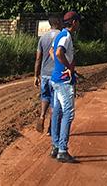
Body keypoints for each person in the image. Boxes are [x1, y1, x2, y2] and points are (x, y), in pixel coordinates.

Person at [49, 10, 82, 163]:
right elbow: (58, 52)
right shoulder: (66, 36)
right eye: (78, 22)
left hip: (56, 79)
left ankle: (56, 146)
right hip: (63, 82)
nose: (79, 24)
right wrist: (68, 67)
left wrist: (61, 66)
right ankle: (62, 150)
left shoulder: (59, 35)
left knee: (57, 112)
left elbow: (51, 52)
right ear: (74, 22)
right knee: (68, 114)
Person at [34, 14, 62, 134]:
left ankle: (41, 116)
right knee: (55, 101)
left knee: (45, 97)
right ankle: (52, 127)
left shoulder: (42, 38)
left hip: (44, 74)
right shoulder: (61, 36)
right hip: (56, 75)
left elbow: (38, 58)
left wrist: (36, 75)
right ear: (58, 22)